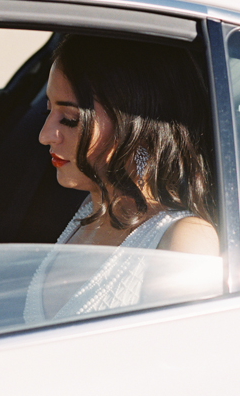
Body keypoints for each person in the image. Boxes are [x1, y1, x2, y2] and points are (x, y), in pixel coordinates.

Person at [24, 34, 220, 323]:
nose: (44, 135)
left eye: (69, 118)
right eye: (48, 110)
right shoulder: (86, 213)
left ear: (135, 127)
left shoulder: (185, 240)